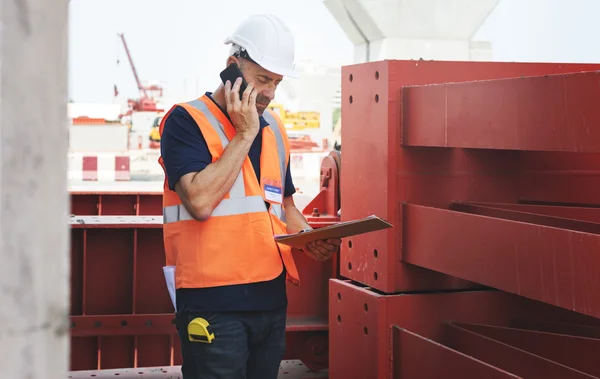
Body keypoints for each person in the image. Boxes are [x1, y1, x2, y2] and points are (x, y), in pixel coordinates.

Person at [157, 13, 342, 379]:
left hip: (270, 300)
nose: (271, 93)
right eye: (262, 79)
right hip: (213, 302)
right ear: (232, 67)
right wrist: (243, 134)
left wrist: (307, 237)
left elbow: (281, 203)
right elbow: (199, 202)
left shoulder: (273, 128)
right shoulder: (185, 121)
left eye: (276, 82)